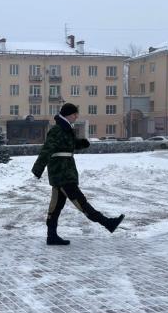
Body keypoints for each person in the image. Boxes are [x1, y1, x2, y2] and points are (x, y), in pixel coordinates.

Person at [32, 103, 124, 245]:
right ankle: (107, 223)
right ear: (68, 114)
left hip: (63, 172)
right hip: (62, 173)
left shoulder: (66, 129)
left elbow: (69, 144)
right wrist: (38, 169)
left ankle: (51, 236)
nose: (76, 116)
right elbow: (47, 150)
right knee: (81, 202)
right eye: (74, 114)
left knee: (55, 207)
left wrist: (81, 143)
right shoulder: (57, 130)